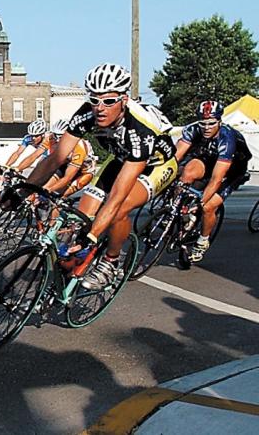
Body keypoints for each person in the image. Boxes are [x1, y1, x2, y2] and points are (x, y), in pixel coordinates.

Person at [22, 63, 177, 290]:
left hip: (156, 166)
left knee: (118, 210)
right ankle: (75, 265)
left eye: (109, 101)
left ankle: (110, 262)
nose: (100, 108)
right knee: (80, 219)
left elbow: (116, 196)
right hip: (120, 160)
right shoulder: (87, 113)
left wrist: (93, 235)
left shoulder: (140, 129)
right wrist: (23, 191)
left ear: (124, 100)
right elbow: (55, 158)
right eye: (95, 100)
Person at [173, 100, 251, 262]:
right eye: (203, 123)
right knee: (186, 172)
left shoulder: (227, 138)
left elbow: (216, 179)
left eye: (211, 123)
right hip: (208, 161)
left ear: (219, 122)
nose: (207, 127)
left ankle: (203, 240)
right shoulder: (193, 129)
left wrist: (200, 203)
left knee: (208, 206)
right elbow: (175, 157)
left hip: (231, 170)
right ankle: (178, 212)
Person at [42, 119, 97, 198]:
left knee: (60, 197)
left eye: (60, 137)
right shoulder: (51, 139)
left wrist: (49, 189)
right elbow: (35, 156)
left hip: (84, 172)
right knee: (44, 188)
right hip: (66, 166)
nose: (57, 140)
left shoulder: (79, 147)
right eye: (55, 135)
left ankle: (57, 206)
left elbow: (68, 178)